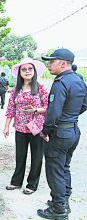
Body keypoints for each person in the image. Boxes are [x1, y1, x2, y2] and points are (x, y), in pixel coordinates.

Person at [37, 49, 87, 219]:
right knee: (64, 167)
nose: (49, 65)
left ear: (63, 63)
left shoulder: (61, 82)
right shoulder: (79, 81)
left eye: (52, 61)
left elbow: (53, 111)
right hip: (72, 130)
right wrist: (70, 117)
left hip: (59, 133)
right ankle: (63, 202)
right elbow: (85, 104)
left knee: (55, 170)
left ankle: (59, 210)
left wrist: (45, 131)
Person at [3, 58, 49, 195]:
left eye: (30, 69)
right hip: (20, 128)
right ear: (20, 73)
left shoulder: (41, 88)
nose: (27, 71)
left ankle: (32, 185)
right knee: (20, 156)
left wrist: (35, 110)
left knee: (36, 157)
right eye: (24, 69)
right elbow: (10, 108)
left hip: (37, 128)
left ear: (34, 71)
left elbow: (48, 107)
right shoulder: (16, 90)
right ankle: (16, 182)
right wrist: (6, 127)